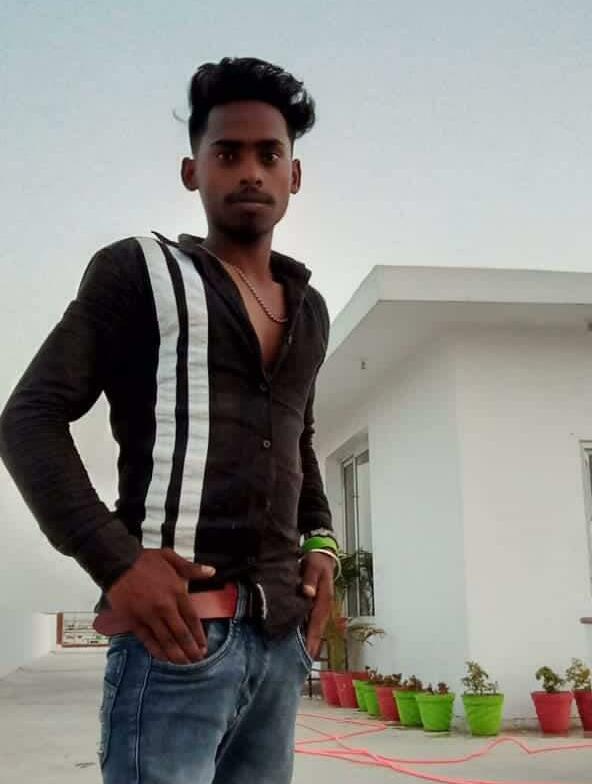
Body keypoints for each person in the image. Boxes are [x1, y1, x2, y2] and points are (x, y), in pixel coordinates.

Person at [0, 57, 339, 784]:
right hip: (175, 639)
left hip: (280, 642)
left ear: (294, 175)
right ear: (193, 171)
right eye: (228, 153)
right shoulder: (138, 272)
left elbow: (300, 441)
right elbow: (28, 418)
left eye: (269, 155)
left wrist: (322, 543)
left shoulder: (309, 309)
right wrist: (117, 562)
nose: (250, 172)